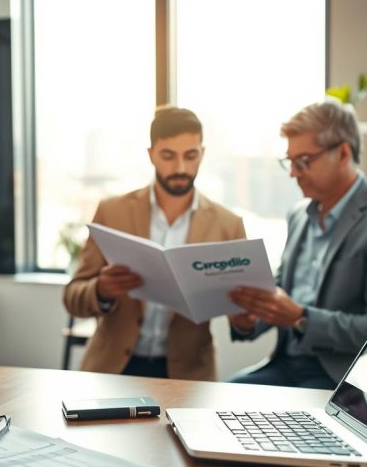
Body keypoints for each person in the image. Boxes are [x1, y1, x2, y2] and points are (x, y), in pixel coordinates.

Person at [227, 100, 367, 389]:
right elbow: (281, 290)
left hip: (341, 380)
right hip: (284, 367)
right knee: (215, 403)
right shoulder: (298, 215)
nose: (293, 172)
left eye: (303, 161)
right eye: (289, 161)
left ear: (343, 152)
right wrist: (249, 319)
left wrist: (302, 318)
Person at [63, 106, 246, 380]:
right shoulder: (112, 212)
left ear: (202, 154)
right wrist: (101, 289)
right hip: (113, 369)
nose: (180, 168)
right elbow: (72, 298)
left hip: (188, 376)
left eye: (191, 156)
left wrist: (244, 315)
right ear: (151, 155)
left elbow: (243, 319)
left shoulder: (227, 224)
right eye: (168, 156)